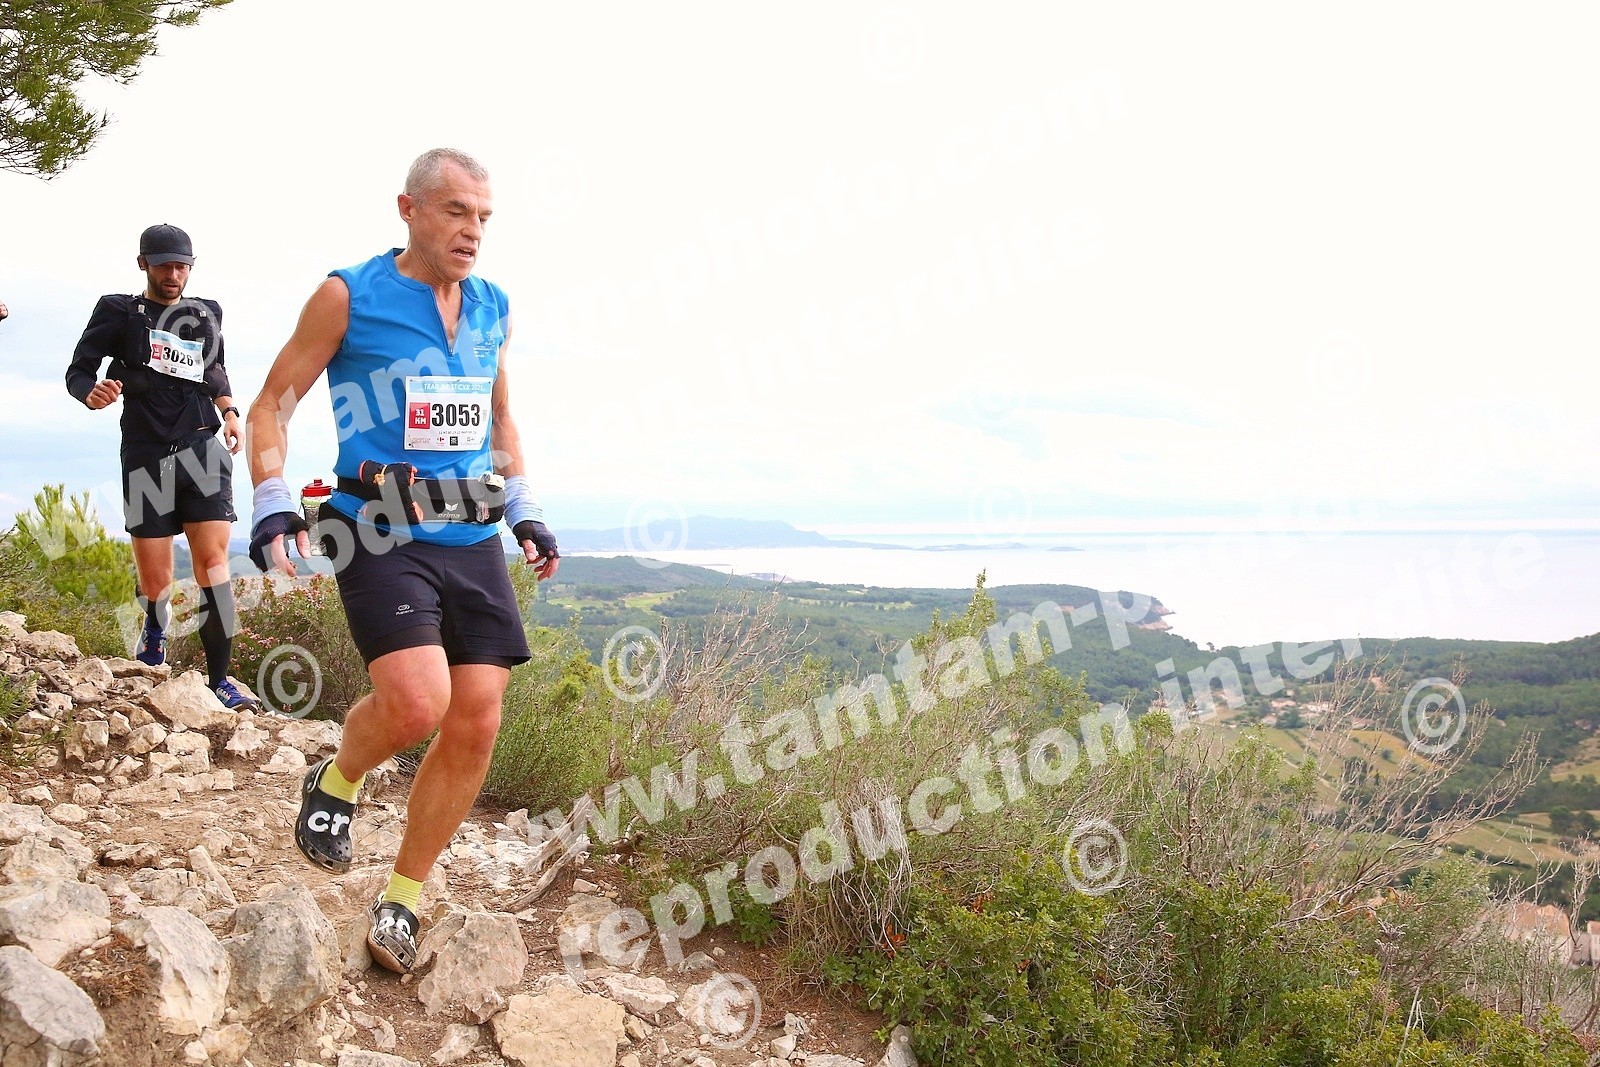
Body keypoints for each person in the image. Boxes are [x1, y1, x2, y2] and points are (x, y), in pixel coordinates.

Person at [246, 148, 560, 974]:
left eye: (483, 217)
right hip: (377, 526)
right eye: (456, 211)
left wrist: (524, 509)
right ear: (409, 209)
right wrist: (272, 497)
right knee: (420, 702)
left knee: (478, 717)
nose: (473, 231)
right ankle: (337, 778)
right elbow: (272, 403)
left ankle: (403, 897)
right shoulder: (348, 295)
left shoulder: (493, 306)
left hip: (470, 532)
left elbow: (500, 418)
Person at [65, 224, 258, 710]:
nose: (174, 275)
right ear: (143, 264)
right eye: (165, 266)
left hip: (202, 448)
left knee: (214, 566)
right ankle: (155, 623)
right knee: (156, 582)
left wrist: (231, 412)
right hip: (146, 453)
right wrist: (90, 393)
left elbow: (215, 369)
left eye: (182, 267)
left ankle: (220, 682)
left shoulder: (205, 313)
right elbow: (79, 370)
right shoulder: (118, 311)